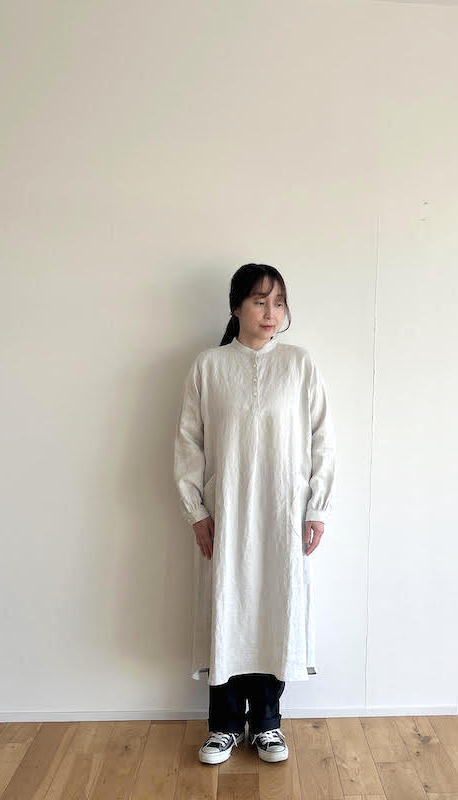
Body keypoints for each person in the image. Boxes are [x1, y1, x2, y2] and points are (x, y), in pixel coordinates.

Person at [174, 263, 337, 765]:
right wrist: (196, 510)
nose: (271, 312)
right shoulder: (209, 366)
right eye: (260, 301)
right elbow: (189, 442)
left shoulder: (299, 364)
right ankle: (224, 725)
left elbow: (323, 440)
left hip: (283, 512)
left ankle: (267, 723)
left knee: (275, 606)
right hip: (228, 511)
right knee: (228, 606)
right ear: (237, 306)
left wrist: (317, 507)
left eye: (279, 302)